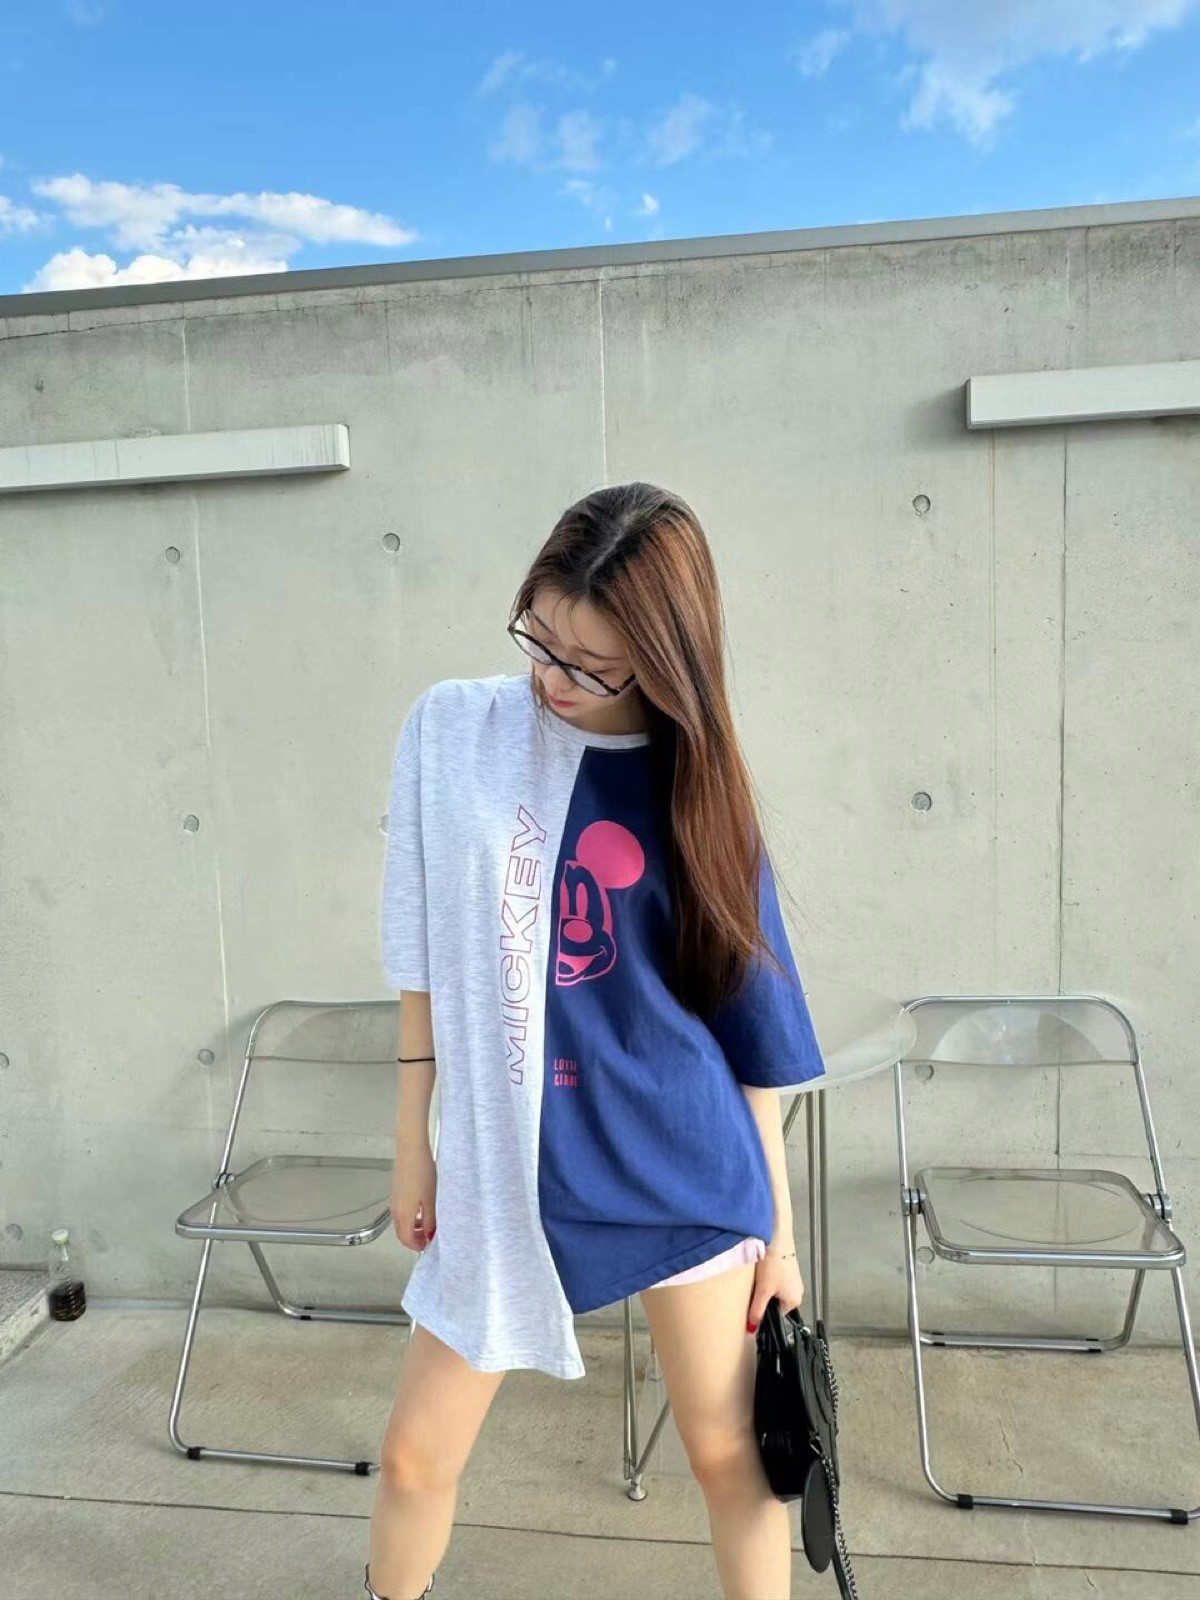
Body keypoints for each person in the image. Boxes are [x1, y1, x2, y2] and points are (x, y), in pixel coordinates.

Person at [365, 482, 826, 1600]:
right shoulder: (454, 731)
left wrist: (780, 1232)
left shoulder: (700, 795)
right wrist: (414, 1141)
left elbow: (748, 1036)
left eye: (593, 665)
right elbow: (418, 946)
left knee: (731, 1460)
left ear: (664, 663)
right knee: (415, 1455)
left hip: (681, 1166)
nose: (554, 678)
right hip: (507, 1168)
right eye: (539, 637)